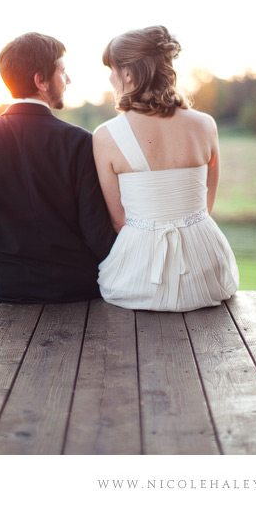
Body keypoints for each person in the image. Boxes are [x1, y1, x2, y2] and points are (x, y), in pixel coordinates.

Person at [0, 32, 117, 303]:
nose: (68, 80)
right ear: (40, 81)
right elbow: (96, 233)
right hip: (75, 290)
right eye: (62, 72)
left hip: (5, 288)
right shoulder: (79, 141)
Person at [92, 26, 239, 311]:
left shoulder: (105, 136)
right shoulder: (206, 125)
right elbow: (206, 207)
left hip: (140, 279)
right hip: (205, 271)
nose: (110, 78)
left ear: (128, 73)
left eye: (112, 70)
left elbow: (119, 221)